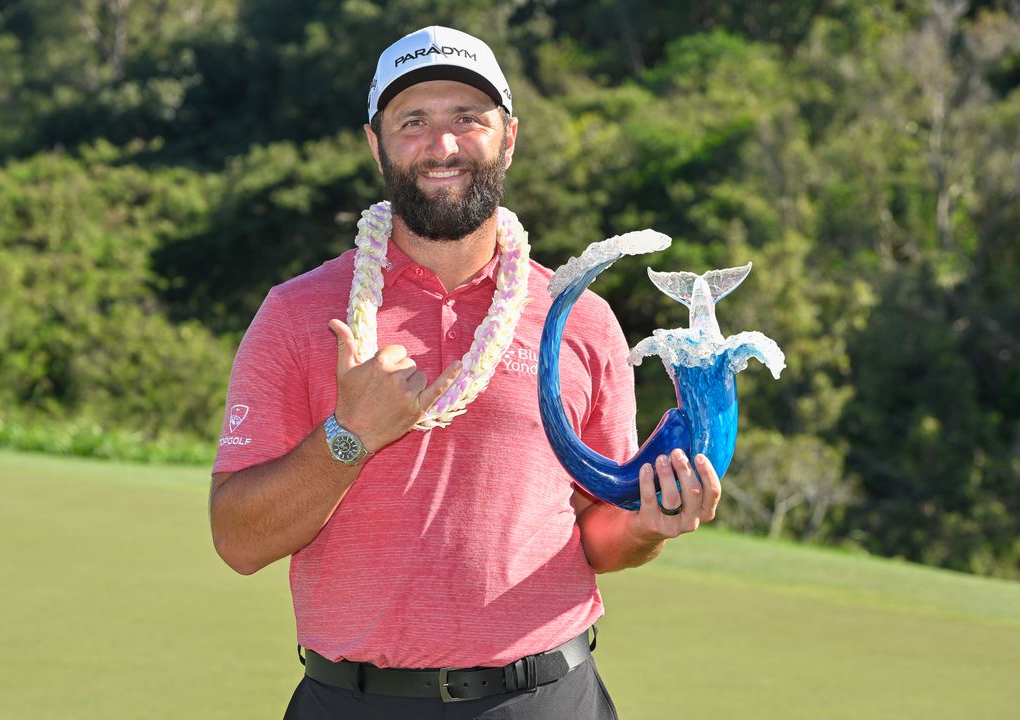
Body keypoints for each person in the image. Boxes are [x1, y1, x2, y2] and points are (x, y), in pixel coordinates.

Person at [208, 25, 722, 720]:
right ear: (376, 143)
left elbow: (599, 534)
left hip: (546, 698)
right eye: (413, 121)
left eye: (467, 120)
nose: (442, 145)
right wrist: (348, 436)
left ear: (508, 136)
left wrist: (650, 526)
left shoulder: (581, 319)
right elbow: (238, 541)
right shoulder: (297, 314)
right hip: (352, 702)